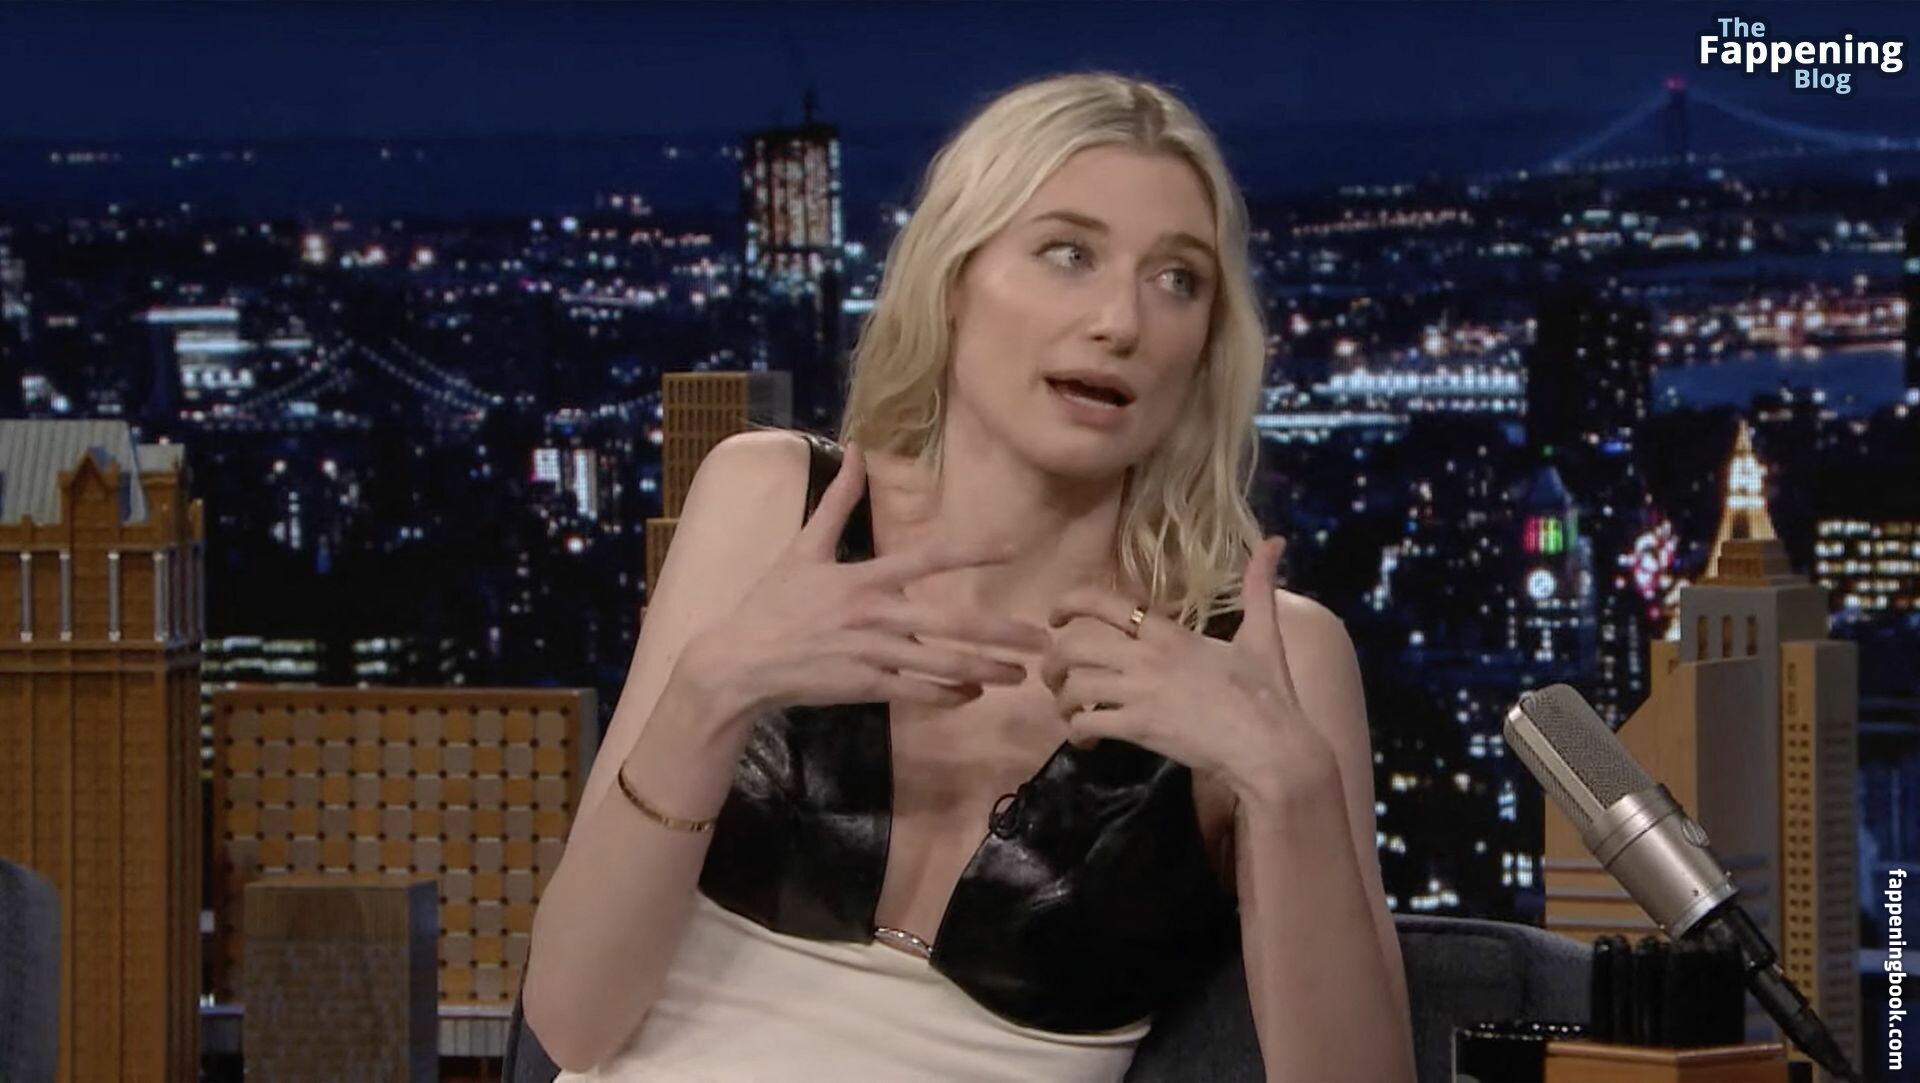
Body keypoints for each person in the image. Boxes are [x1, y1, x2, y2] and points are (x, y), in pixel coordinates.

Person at [523, 70, 1416, 1082]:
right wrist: (710, 693)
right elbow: (571, 1022)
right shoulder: (775, 504)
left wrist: (1289, 786)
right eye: (1068, 253)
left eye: (1179, 279)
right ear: (954, 279)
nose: (1122, 321)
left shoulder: (1272, 656)